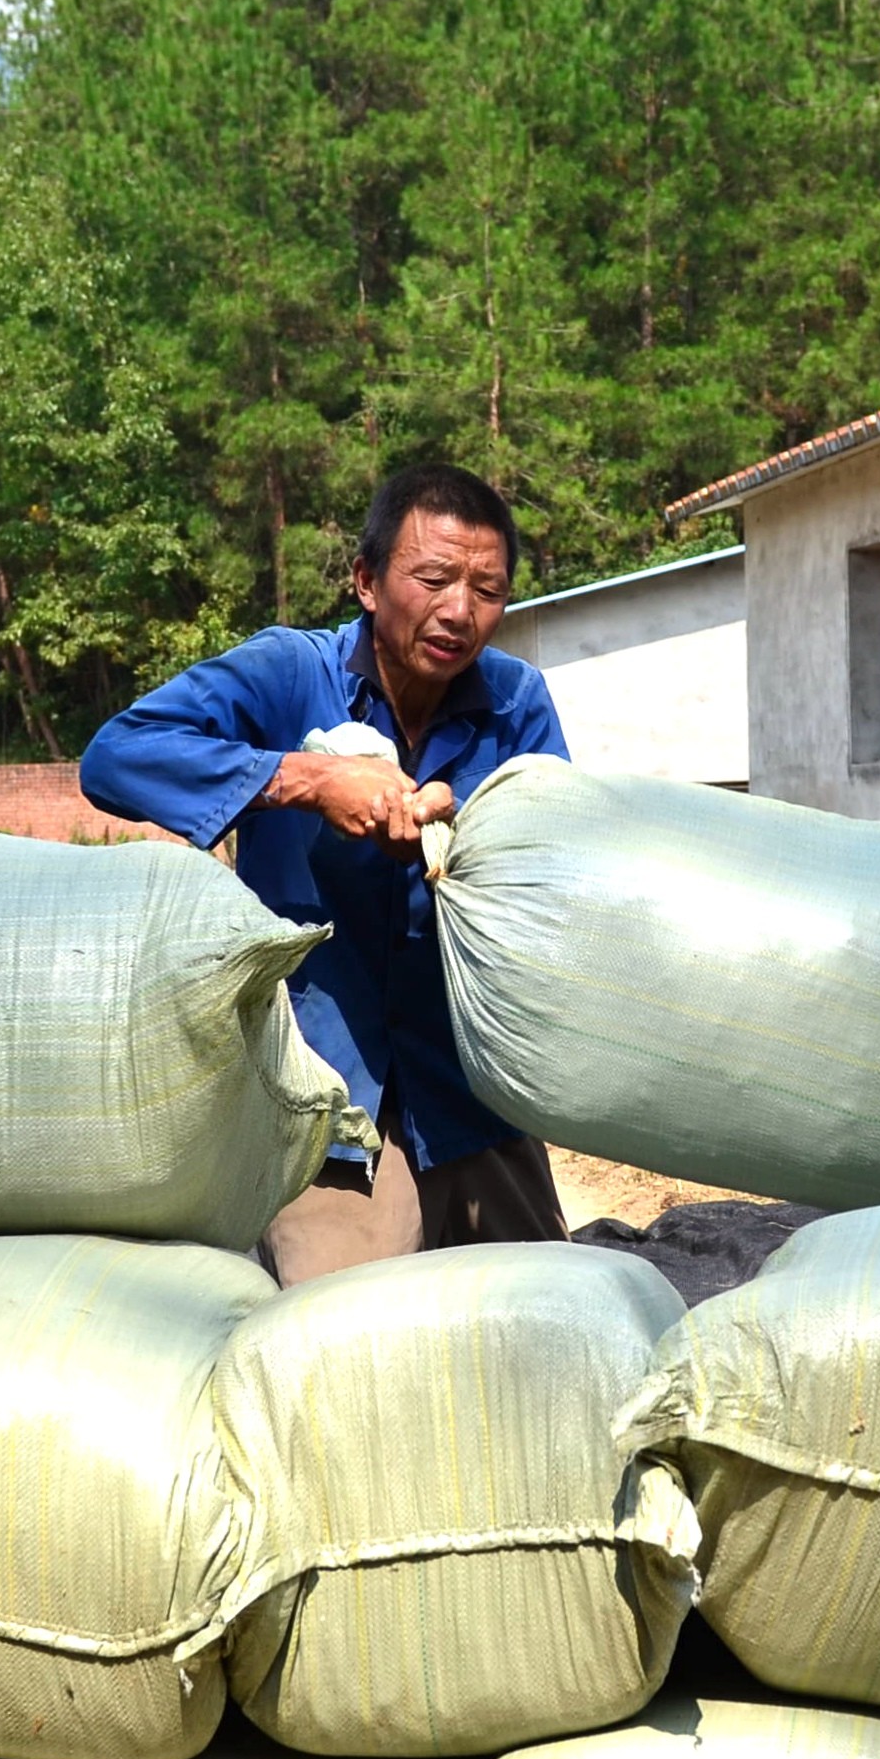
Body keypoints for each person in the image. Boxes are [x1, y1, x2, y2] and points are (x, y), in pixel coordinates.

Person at [79, 462, 570, 1283]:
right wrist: (305, 783)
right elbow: (117, 756)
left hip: (474, 1098)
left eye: (487, 588)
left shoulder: (517, 701)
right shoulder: (287, 673)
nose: (460, 609)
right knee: (350, 1350)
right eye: (434, 577)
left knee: (553, 1324)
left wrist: (466, 826)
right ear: (367, 581)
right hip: (326, 1102)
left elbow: (553, 861)